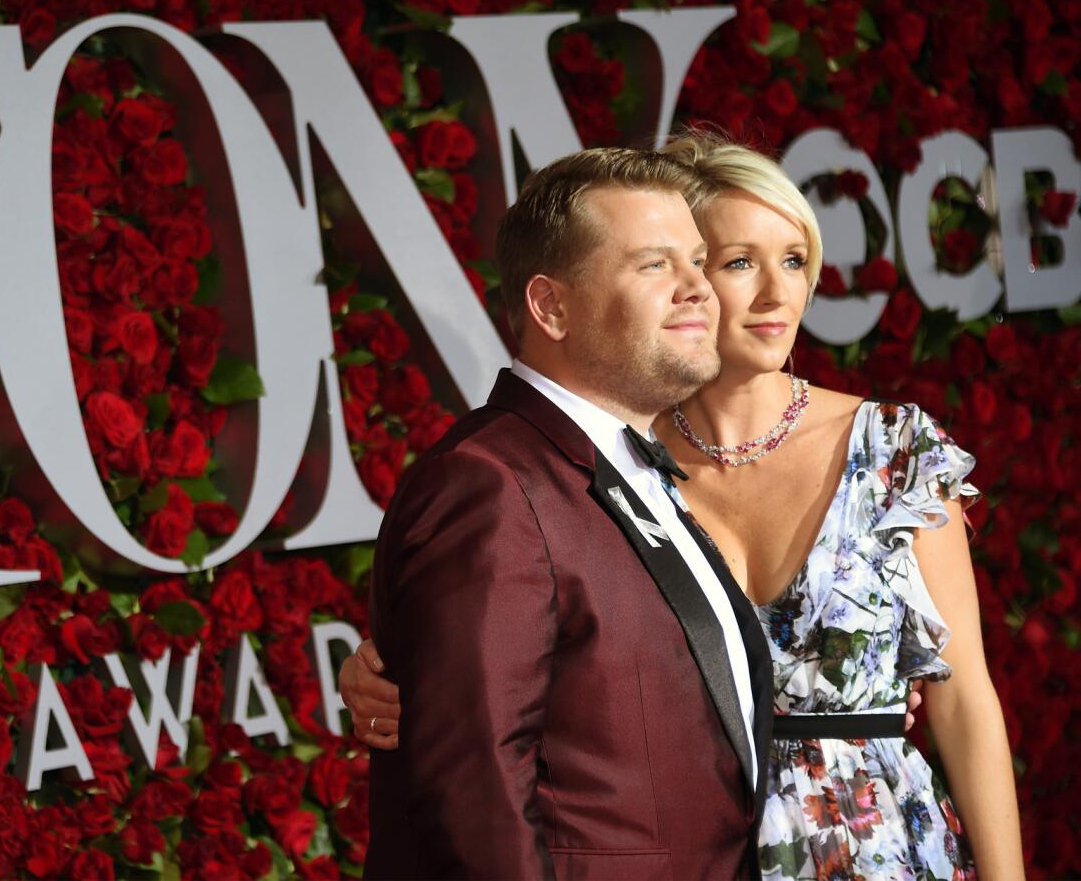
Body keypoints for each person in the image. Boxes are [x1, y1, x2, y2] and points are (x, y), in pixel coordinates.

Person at [343, 133, 1026, 880]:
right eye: (731, 262)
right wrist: (399, 671)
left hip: (872, 844)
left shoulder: (884, 446)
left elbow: (964, 701)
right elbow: (504, 702)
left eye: (793, 261)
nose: (771, 292)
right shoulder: (601, 461)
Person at [363, 146, 774, 880]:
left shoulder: (628, 464)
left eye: (698, 260)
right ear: (551, 306)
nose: (699, 289)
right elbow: (473, 794)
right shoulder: (488, 486)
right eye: (654, 266)